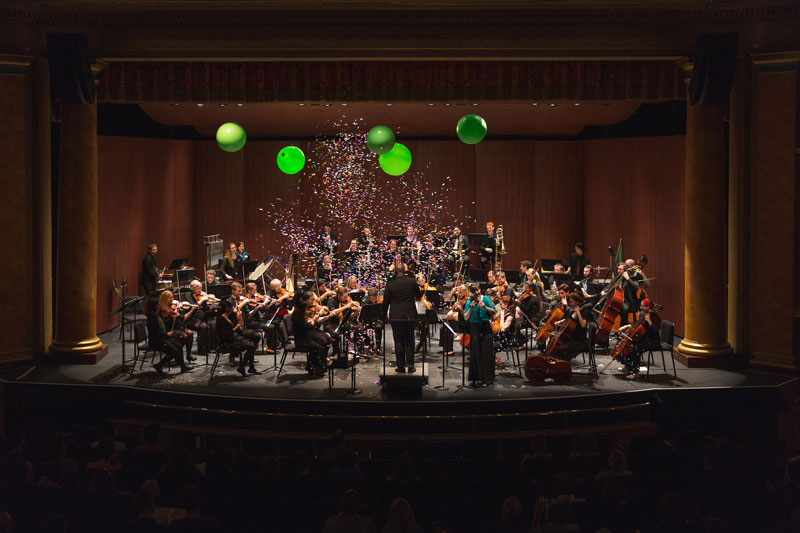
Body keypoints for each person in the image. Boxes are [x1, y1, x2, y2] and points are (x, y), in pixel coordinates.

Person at [383, 263, 421, 373]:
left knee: (398, 340)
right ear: (405, 270)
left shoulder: (390, 283)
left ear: (394, 271)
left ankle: (400, 366)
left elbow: (386, 302)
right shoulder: (412, 281)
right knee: (410, 339)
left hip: (396, 316)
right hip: (410, 315)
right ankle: (410, 365)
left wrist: (383, 315)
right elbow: (418, 296)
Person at [146, 295, 190, 374]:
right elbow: (156, 332)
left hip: (163, 337)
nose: (160, 306)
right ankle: (158, 365)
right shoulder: (152, 317)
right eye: (158, 304)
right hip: (156, 340)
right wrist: (167, 334)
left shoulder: (158, 314)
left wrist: (173, 312)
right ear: (154, 306)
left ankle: (183, 367)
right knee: (174, 351)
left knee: (179, 345)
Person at [463, 283, 497, 386]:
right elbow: (465, 317)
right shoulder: (469, 301)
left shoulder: (486, 298)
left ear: (479, 289)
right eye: (474, 291)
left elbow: (494, 311)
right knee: (476, 353)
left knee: (486, 354)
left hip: (486, 328)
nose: (477, 292)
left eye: (477, 290)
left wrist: (485, 307)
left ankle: (486, 379)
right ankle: (476, 377)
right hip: (475, 329)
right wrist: (470, 308)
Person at [618, 298, 661, 376]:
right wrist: (626, 326)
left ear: (648, 307)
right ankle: (628, 366)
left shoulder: (655, 317)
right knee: (629, 345)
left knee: (635, 348)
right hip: (644, 339)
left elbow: (656, 331)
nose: (640, 308)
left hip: (652, 341)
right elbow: (637, 324)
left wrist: (649, 322)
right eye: (640, 306)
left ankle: (635, 372)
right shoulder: (643, 314)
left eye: (642, 306)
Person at [291, 292, 330, 377]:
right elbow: (307, 327)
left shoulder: (299, 314)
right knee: (320, 348)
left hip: (305, 335)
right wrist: (314, 319)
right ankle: (315, 369)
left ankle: (313, 367)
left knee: (326, 338)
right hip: (301, 339)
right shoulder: (298, 316)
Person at [216, 298, 258, 377]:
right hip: (227, 342)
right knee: (252, 346)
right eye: (230, 307)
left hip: (232, 338)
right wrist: (236, 327)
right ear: (227, 308)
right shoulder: (221, 319)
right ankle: (243, 366)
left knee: (254, 339)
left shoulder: (228, 316)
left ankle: (246, 367)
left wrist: (239, 322)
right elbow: (225, 334)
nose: (232, 309)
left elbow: (237, 330)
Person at [550, 292, 593, 361]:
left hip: (580, 340)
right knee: (554, 340)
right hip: (572, 336)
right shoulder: (574, 308)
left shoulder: (585, 310)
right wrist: (560, 322)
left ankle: (564, 365)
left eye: (572, 302)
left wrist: (578, 313)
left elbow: (583, 325)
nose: (571, 304)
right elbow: (570, 318)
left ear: (577, 302)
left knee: (562, 349)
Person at [600, 262, 640, 327]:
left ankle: (622, 328)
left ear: (625, 270)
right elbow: (609, 286)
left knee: (624, 309)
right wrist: (604, 291)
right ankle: (606, 326)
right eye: (618, 269)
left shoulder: (631, 277)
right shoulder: (616, 278)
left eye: (620, 269)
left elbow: (636, 287)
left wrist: (627, 278)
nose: (618, 271)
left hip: (627, 301)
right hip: (616, 300)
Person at [185, 280, 217, 356]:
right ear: (193, 289)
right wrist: (202, 300)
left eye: (200, 288)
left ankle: (212, 347)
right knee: (204, 327)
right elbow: (194, 307)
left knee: (214, 324)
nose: (200, 290)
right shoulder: (188, 296)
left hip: (202, 318)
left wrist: (212, 304)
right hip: (192, 320)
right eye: (198, 289)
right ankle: (202, 349)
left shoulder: (202, 296)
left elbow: (207, 311)